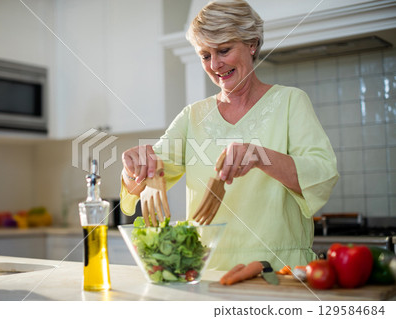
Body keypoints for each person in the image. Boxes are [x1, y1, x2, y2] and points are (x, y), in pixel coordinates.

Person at [119, 0, 339, 271]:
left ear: (252, 44)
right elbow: (146, 177)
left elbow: (322, 174)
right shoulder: (193, 117)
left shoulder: (291, 101)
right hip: (208, 270)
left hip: (280, 270)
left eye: (224, 50)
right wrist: (135, 169)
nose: (215, 65)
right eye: (205, 55)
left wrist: (259, 155)